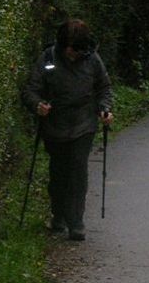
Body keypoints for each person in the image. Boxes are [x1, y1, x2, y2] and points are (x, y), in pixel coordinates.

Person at [22, 19, 113, 241]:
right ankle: (58, 216)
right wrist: (38, 105)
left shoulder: (92, 59)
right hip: (55, 124)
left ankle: (76, 222)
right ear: (63, 45)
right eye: (71, 49)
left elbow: (104, 87)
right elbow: (30, 90)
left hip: (84, 123)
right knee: (59, 172)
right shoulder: (48, 59)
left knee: (78, 170)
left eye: (78, 50)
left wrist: (105, 109)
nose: (74, 54)